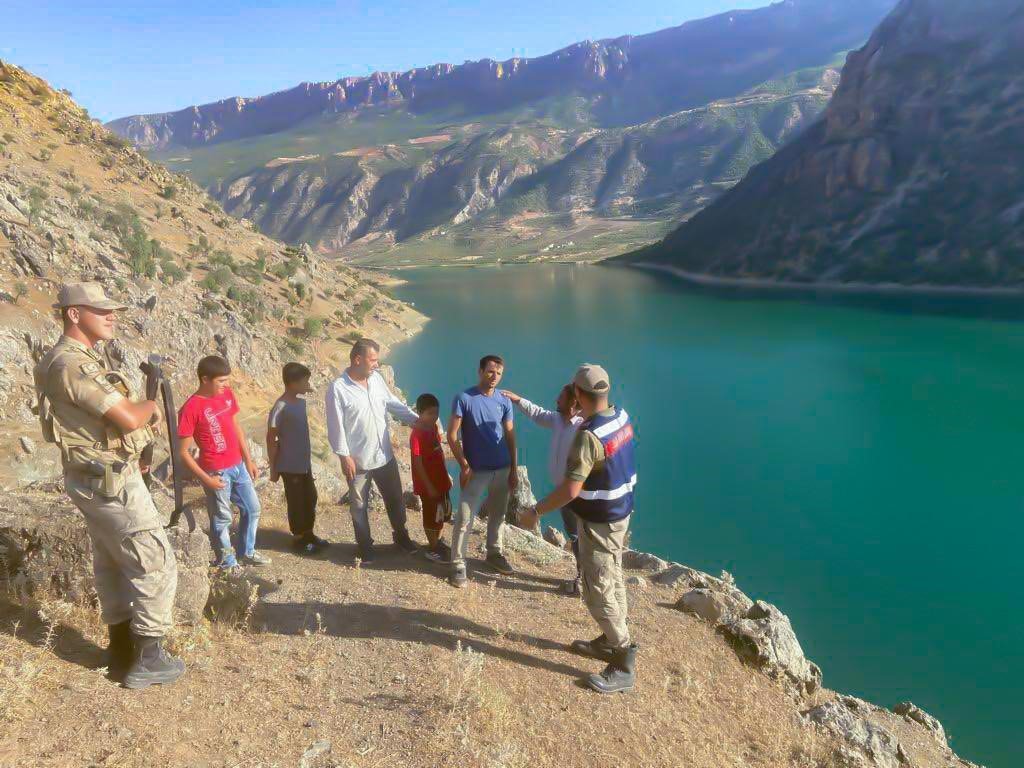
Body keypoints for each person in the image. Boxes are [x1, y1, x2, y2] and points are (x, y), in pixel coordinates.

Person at [33, 282, 184, 689]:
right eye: (101, 310)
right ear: (74, 314)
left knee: (114, 562)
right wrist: (150, 406)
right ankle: (149, 658)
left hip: (95, 479)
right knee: (154, 561)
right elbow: (129, 417)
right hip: (111, 482)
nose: (111, 316)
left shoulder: (71, 360)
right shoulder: (71, 364)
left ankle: (121, 650)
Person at [522, 364, 638, 694]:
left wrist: (535, 511)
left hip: (599, 521)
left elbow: (571, 490)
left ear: (577, 393)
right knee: (612, 574)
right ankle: (612, 639)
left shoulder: (588, 435)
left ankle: (623, 660)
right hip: (620, 514)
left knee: (596, 589)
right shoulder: (621, 417)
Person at [325, 338, 419, 562]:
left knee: (395, 498)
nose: (377, 364)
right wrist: (344, 456)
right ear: (358, 359)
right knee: (359, 506)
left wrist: (418, 421)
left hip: (384, 455)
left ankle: (401, 536)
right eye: (373, 359)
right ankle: (365, 546)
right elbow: (335, 426)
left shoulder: (376, 379)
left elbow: (393, 403)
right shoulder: (338, 389)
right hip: (358, 460)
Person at [178, 355, 270, 570]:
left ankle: (247, 552)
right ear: (205, 379)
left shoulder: (226, 395)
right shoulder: (190, 408)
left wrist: (248, 460)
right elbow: (182, 452)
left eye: (227, 380)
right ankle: (227, 563)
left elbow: (236, 426)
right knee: (222, 519)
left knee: (252, 508)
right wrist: (206, 480)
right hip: (216, 470)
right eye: (221, 381)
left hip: (238, 465)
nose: (226, 385)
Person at [501, 384, 583, 595]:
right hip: (562, 493)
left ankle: (588, 580)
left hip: (578, 494)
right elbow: (537, 413)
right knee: (574, 536)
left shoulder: (582, 427)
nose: (556, 400)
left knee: (583, 537)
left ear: (573, 402)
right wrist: (518, 400)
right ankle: (582, 575)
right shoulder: (558, 420)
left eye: (561, 398)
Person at [447, 355, 518, 588]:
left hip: (502, 468)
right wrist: (464, 465)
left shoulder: (504, 401)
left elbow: (510, 435)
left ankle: (494, 553)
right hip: (476, 471)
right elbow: (452, 435)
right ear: (480, 371)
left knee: (498, 515)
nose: (494, 377)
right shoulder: (464, 398)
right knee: (465, 517)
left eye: (499, 373)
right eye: (490, 372)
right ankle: (457, 563)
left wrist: (514, 469)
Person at [267, 362, 328, 555]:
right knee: (296, 502)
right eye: (304, 381)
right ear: (293, 383)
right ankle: (299, 539)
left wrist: (307, 387)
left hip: (303, 463)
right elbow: (271, 438)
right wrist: (273, 468)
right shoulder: (281, 407)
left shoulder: (300, 402)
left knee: (310, 497)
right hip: (289, 464)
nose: (308, 384)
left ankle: (309, 533)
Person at [410, 393, 453, 562]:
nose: (434, 417)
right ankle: (433, 548)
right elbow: (417, 463)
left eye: (436, 413)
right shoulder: (416, 435)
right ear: (419, 412)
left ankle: (438, 541)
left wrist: (446, 475)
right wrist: (428, 487)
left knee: (442, 513)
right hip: (427, 484)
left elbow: (439, 452)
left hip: (440, 480)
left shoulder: (434, 428)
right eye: (429, 413)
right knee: (430, 515)